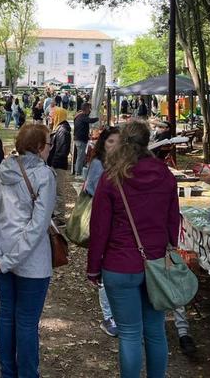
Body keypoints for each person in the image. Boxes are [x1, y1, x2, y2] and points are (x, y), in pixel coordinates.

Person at [86, 121, 180, 378]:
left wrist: (93, 268)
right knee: (155, 330)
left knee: (129, 333)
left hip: (119, 263)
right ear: (147, 141)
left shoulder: (112, 176)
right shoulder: (164, 174)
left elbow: (99, 228)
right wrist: (171, 249)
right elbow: (174, 219)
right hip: (157, 262)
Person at [0, 123, 56, 378]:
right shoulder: (44, 175)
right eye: (49, 143)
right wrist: (6, 258)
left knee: (8, 317)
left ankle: (8, 373)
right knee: (24, 322)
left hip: (1, 257)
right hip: (30, 261)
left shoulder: (1, 170)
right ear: (39, 147)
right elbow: (38, 226)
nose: (50, 148)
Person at [83, 126, 121, 337]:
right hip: (103, 221)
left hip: (120, 225)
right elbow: (90, 188)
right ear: (103, 143)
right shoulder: (98, 163)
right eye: (110, 141)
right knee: (105, 271)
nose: (115, 146)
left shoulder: (125, 164)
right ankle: (109, 316)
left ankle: (117, 313)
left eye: (118, 142)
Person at [47, 118, 72, 224]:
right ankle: (55, 213)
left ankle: (60, 217)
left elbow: (62, 150)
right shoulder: (59, 129)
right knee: (54, 190)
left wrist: (54, 163)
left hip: (58, 165)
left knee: (58, 191)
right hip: (55, 164)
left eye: (51, 116)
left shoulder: (62, 131)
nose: (50, 119)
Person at [73, 102, 99, 177]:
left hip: (80, 139)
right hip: (80, 139)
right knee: (80, 156)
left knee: (81, 155)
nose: (90, 111)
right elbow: (90, 120)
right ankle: (78, 172)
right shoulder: (82, 116)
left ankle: (79, 170)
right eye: (89, 109)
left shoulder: (80, 116)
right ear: (86, 109)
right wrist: (98, 118)